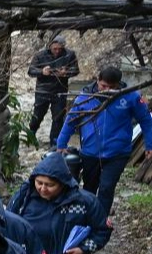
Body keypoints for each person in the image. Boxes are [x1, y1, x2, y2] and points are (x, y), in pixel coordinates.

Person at [56, 65, 152, 219]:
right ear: (97, 81)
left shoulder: (131, 97)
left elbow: (146, 120)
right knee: (89, 188)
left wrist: (150, 144)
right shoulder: (84, 97)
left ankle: (100, 221)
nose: (107, 90)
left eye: (112, 87)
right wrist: (61, 144)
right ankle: (86, 219)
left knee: (107, 187)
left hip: (118, 152)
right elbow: (70, 121)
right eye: (103, 86)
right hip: (90, 152)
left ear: (119, 85)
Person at [27, 35, 79, 147]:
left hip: (60, 90)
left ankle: (54, 142)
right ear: (50, 46)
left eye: (60, 49)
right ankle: (30, 136)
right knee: (37, 115)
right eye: (55, 49)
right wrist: (42, 71)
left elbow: (76, 70)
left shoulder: (69, 54)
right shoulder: (40, 55)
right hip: (43, 90)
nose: (57, 51)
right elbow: (31, 70)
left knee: (58, 117)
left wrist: (67, 72)